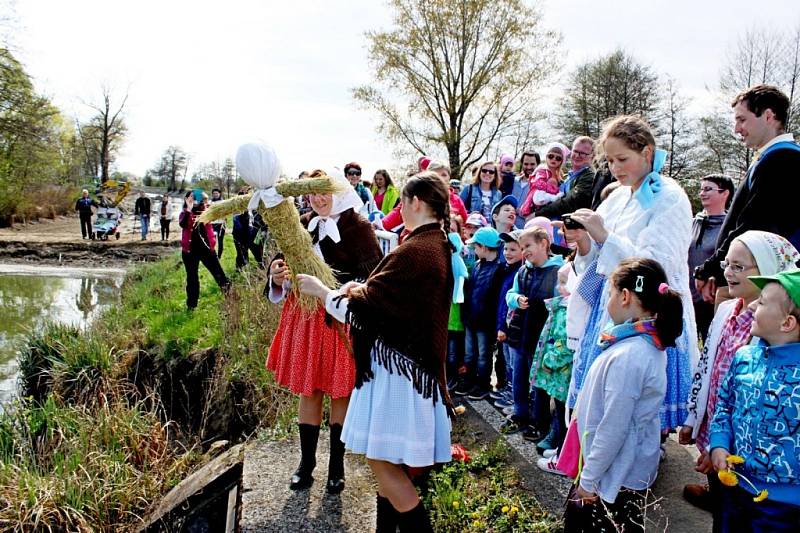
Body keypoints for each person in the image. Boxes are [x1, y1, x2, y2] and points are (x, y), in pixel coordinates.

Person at [295, 172, 453, 531]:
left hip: (400, 378)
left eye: (401, 203)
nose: (398, 209)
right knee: (389, 465)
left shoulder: (418, 250)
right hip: (405, 371)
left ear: (415, 202)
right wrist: (360, 289)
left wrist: (324, 291)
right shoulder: (435, 243)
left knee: (383, 464)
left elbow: (368, 309)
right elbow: (385, 297)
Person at [565, 115, 698, 433]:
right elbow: (597, 260)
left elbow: (656, 265)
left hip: (647, 309)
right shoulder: (619, 198)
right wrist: (585, 243)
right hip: (612, 304)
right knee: (608, 391)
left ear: (647, 153)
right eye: (610, 160)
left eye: (622, 158)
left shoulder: (669, 196)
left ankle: (641, 463)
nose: (615, 167)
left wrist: (605, 238)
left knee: (638, 398)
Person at [267, 171, 383, 494]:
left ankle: (336, 465)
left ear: (339, 192)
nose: (318, 200)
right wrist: (277, 275)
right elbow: (283, 262)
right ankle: (306, 464)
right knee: (310, 389)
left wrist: (338, 291)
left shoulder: (358, 228)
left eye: (325, 192)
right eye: (313, 193)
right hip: (305, 318)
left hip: (339, 320)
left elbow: (373, 278)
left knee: (340, 391)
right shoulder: (303, 223)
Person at [680, 231, 800, 514]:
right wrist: (695, 419)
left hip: (752, 462)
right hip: (718, 436)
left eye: (739, 266)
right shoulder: (725, 310)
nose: (728, 273)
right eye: (726, 264)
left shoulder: (768, 333)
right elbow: (708, 370)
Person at [563, 258, 684, 532]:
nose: (609, 301)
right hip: (618, 473)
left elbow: (614, 427)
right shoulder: (641, 345)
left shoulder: (631, 356)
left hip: (611, 479)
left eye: (610, 294)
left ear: (625, 296)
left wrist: (588, 481)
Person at [709, 268, 800, 532]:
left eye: (761, 302)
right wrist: (719, 443)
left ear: (787, 324)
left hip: (785, 507)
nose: (751, 304)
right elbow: (724, 405)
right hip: (736, 488)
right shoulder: (744, 357)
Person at [694, 84, 800, 303]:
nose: (736, 129)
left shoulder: (782, 160)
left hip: (764, 286)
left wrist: (713, 266)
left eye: (742, 120)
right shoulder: (769, 158)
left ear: (769, 116)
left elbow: (755, 222)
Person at [500, 227, 562, 438]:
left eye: (528, 246)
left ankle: (540, 421)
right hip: (520, 334)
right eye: (522, 247)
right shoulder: (523, 271)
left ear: (544, 244)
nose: (524, 251)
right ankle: (520, 413)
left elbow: (560, 303)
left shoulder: (557, 271)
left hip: (542, 338)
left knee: (540, 384)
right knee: (519, 377)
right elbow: (510, 294)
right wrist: (516, 299)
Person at [532, 261, 575, 474]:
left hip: (563, 376)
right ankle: (560, 449)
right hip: (561, 378)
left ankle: (562, 460)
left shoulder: (571, 311)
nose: (559, 287)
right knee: (559, 413)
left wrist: (548, 361)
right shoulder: (565, 306)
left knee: (564, 415)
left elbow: (565, 344)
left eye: (565, 282)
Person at [455, 226, 505, 400]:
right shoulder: (477, 265)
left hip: (485, 321)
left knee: (484, 355)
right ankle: (469, 380)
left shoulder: (499, 269)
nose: (473, 250)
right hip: (471, 318)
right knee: (470, 353)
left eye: (475, 247)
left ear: (483, 247)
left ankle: (482, 383)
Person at [689, 175, 735, 341]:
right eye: (701, 189)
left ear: (725, 194)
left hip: (712, 300)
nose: (702, 193)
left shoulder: (731, 227)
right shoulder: (693, 223)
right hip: (689, 298)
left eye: (708, 189)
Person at [178, 191, 230, 310]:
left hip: (207, 250)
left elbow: (218, 212)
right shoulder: (184, 213)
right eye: (191, 198)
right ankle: (191, 305)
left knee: (219, 274)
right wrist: (189, 209)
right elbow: (184, 224)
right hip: (189, 252)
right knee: (192, 279)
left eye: (196, 198)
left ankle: (231, 297)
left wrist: (205, 201)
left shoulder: (206, 210)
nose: (194, 200)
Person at [491, 229, 524, 409]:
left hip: (511, 328)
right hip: (503, 325)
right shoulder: (507, 270)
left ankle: (513, 395)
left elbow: (509, 306)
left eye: (513, 249)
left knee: (513, 363)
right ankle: (509, 391)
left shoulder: (519, 272)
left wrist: (502, 327)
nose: (507, 253)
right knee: (508, 361)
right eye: (506, 249)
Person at [535, 137, 596, 220]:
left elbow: (571, 202)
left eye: (583, 153)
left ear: (592, 157)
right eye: (575, 151)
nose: (577, 155)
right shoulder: (566, 177)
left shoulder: (589, 177)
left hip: (572, 229)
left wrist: (538, 214)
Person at [510, 150, 541, 229]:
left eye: (532, 164)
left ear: (538, 165)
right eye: (526, 164)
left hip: (526, 230)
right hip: (506, 229)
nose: (529, 167)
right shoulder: (513, 181)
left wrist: (520, 212)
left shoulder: (541, 186)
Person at [210, 188, 226, 258]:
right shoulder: (210, 202)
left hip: (221, 224)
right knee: (212, 240)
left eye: (217, 193)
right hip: (212, 224)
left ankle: (219, 256)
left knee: (220, 241)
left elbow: (226, 213)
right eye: (214, 194)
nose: (215, 195)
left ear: (219, 194)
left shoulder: (224, 202)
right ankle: (212, 255)